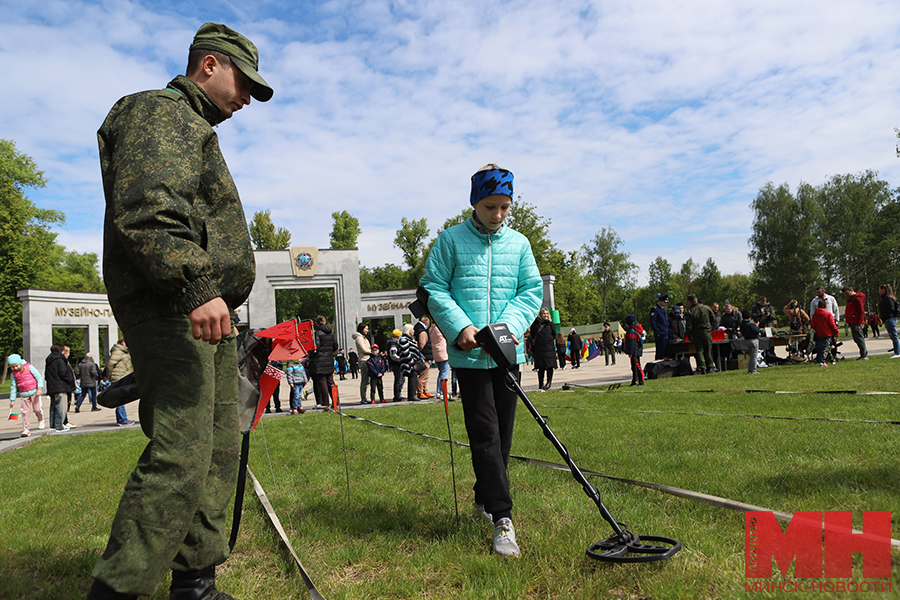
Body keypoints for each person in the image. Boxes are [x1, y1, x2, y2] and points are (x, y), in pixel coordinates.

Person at [88, 22, 273, 600]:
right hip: (175, 307)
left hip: (201, 313)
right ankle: (117, 590)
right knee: (181, 452)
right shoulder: (159, 112)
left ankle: (194, 582)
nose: (246, 99)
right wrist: (196, 288)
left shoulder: (189, 125)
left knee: (218, 449)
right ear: (210, 65)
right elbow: (148, 210)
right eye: (245, 83)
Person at [422, 163, 542, 558]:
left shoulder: (520, 244)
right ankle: (503, 520)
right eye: (491, 206)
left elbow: (530, 291)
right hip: (469, 359)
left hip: (507, 355)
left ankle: (483, 497)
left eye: (506, 207)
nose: (498, 215)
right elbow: (434, 288)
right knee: (485, 434)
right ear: (475, 202)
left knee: (503, 438)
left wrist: (504, 328)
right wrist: (462, 328)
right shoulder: (450, 241)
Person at [7, 354, 44, 437]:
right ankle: (26, 429)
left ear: (20, 363)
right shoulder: (13, 374)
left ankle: (41, 419)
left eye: (16, 366)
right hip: (23, 394)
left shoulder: (29, 367)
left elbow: (39, 377)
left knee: (37, 409)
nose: (15, 368)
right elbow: (13, 387)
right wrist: (12, 400)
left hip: (34, 392)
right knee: (25, 412)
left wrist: (39, 389)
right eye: (12, 367)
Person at [44, 344, 75, 432]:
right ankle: (59, 426)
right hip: (61, 387)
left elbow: (47, 375)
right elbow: (63, 373)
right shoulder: (60, 360)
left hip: (52, 387)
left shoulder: (49, 360)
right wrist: (70, 380)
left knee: (54, 406)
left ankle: (53, 425)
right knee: (61, 407)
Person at [309, 316, 338, 407]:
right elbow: (335, 346)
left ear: (317, 323)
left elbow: (315, 347)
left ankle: (325, 403)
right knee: (330, 381)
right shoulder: (331, 333)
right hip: (329, 359)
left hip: (319, 361)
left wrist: (310, 355)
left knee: (322, 383)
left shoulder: (317, 333)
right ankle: (336, 401)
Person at [105, 339, 135, 426]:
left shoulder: (125, 352)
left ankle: (122, 418)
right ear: (121, 343)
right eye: (125, 342)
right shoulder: (118, 351)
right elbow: (110, 364)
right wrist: (110, 376)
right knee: (120, 399)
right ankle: (122, 419)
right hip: (118, 377)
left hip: (123, 377)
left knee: (121, 398)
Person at [685, 295, 716, 374]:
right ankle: (710, 367)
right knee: (708, 350)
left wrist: (689, 335)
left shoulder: (690, 311)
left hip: (696, 333)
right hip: (706, 331)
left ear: (690, 302)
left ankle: (702, 367)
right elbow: (713, 319)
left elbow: (689, 326)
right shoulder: (706, 308)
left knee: (699, 350)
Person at [529, 307, 557, 390]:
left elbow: (554, 334)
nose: (545, 315)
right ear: (541, 314)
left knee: (549, 366)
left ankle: (549, 382)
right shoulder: (536, 324)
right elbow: (532, 334)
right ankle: (540, 383)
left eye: (547, 313)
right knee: (541, 367)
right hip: (539, 348)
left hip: (549, 348)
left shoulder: (550, 324)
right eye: (544, 313)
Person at [841, 285, 868, 360]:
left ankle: (864, 355)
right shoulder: (851, 299)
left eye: (847, 293)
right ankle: (863, 354)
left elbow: (861, 312)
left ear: (851, 290)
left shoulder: (857, 299)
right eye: (845, 294)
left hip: (857, 322)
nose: (847, 295)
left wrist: (858, 324)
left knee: (859, 338)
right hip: (853, 321)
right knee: (857, 339)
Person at [810, 299, 839, 366]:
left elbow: (812, 324)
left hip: (819, 333)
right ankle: (822, 361)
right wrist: (836, 331)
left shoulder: (815, 314)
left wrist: (817, 329)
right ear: (825, 306)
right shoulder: (828, 314)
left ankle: (832, 360)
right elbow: (832, 324)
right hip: (827, 333)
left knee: (827, 346)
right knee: (826, 347)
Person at [398, 324, 422, 401]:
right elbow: (406, 352)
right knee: (412, 377)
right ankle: (412, 395)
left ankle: (412, 394)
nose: (413, 331)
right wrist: (412, 363)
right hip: (408, 363)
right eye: (412, 329)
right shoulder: (404, 339)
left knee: (414, 377)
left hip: (412, 362)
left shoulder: (410, 339)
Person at [414, 316, 435, 399]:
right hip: (424, 356)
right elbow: (422, 344)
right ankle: (420, 391)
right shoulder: (423, 332)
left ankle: (425, 390)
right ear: (428, 323)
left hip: (425, 356)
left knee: (426, 375)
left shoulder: (419, 330)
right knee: (423, 376)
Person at [352, 322, 373, 403]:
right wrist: (372, 351)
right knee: (365, 380)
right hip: (364, 360)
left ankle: (366, 397)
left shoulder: (364, 338)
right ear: (362, 329)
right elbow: (364, 350)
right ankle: (363, 398)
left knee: (369, 380)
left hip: (368, 359)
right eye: (366, 329)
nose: (367, 330)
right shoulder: (359, 338)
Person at [878, 284, 900, 358]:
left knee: (894, 336)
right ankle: (896, 350)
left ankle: (897, 352)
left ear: (883, 290)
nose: (879, 291)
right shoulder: (887, 298)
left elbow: (891, 309)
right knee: (893, 336)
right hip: (889, 319)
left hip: (890, 319)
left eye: (879, 290)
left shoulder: (888, 298)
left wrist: (884, 316)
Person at [429, 320, 450, 397]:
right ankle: (442, 391)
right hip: (443, 352)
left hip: (435, 353)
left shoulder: (431, 329)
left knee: (441, 372)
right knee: (444, 373)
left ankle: (438, 391)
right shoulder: (440, 328)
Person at [623, 315, 644, 386]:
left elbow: (632, 342)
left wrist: (631, 353)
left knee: (637, 366)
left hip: (635, 351)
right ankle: (634, 380)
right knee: (633, 367)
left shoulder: (631, 330)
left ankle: (641, 380)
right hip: (635, 351)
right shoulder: (632, 329)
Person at [649, 294, 670, 360]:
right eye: (664, 302)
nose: (666, 303)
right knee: (661, 351)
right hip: (660, 333)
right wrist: (657, 331)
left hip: (665, 332)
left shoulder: (663, 309)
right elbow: (653, 322)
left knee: (666, 351)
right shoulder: (655, 309)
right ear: (660, 301)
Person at [386, 328, 405, 401]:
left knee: (401, 379)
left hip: (396, 364)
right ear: (398, 336)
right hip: (396, 364)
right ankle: (397, 395)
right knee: (399, 379)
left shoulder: (393, 343)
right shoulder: (393, 344)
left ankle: (398, 394)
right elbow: (393, 355)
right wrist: (400, 358)